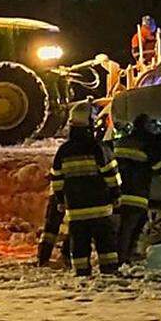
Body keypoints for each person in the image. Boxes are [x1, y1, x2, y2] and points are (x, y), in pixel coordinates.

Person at [46, 102, 122, 276]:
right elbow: (111, 175)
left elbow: (57, 180)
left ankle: (82, 276)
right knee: (106, 247)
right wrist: (116, 194)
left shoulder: (63, 151)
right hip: (100, 210)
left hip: (76, 212)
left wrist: (61, 199)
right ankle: (109, 275)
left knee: (79, 247)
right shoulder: (98, 148)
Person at [114, 113, 161, 262]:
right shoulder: (147, 143)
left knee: (127, 226)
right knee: (132, 226)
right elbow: (159, 165)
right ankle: (123, 257)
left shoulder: (123, 141)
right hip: (136, 192)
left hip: (119, 191)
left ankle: (125, 255)